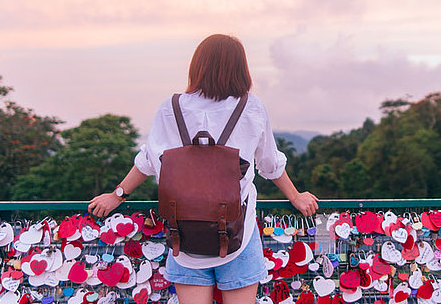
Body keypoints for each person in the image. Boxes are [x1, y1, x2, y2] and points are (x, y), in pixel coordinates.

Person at [88, 34, 319, 304]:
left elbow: (149, 161)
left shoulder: (170, 108)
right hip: (237, 232)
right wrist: (295, 196)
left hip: (184, 234)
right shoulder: (251, 107)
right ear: (240, 69)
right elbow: (269, 163)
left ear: (197, 67)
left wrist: (117, 195)